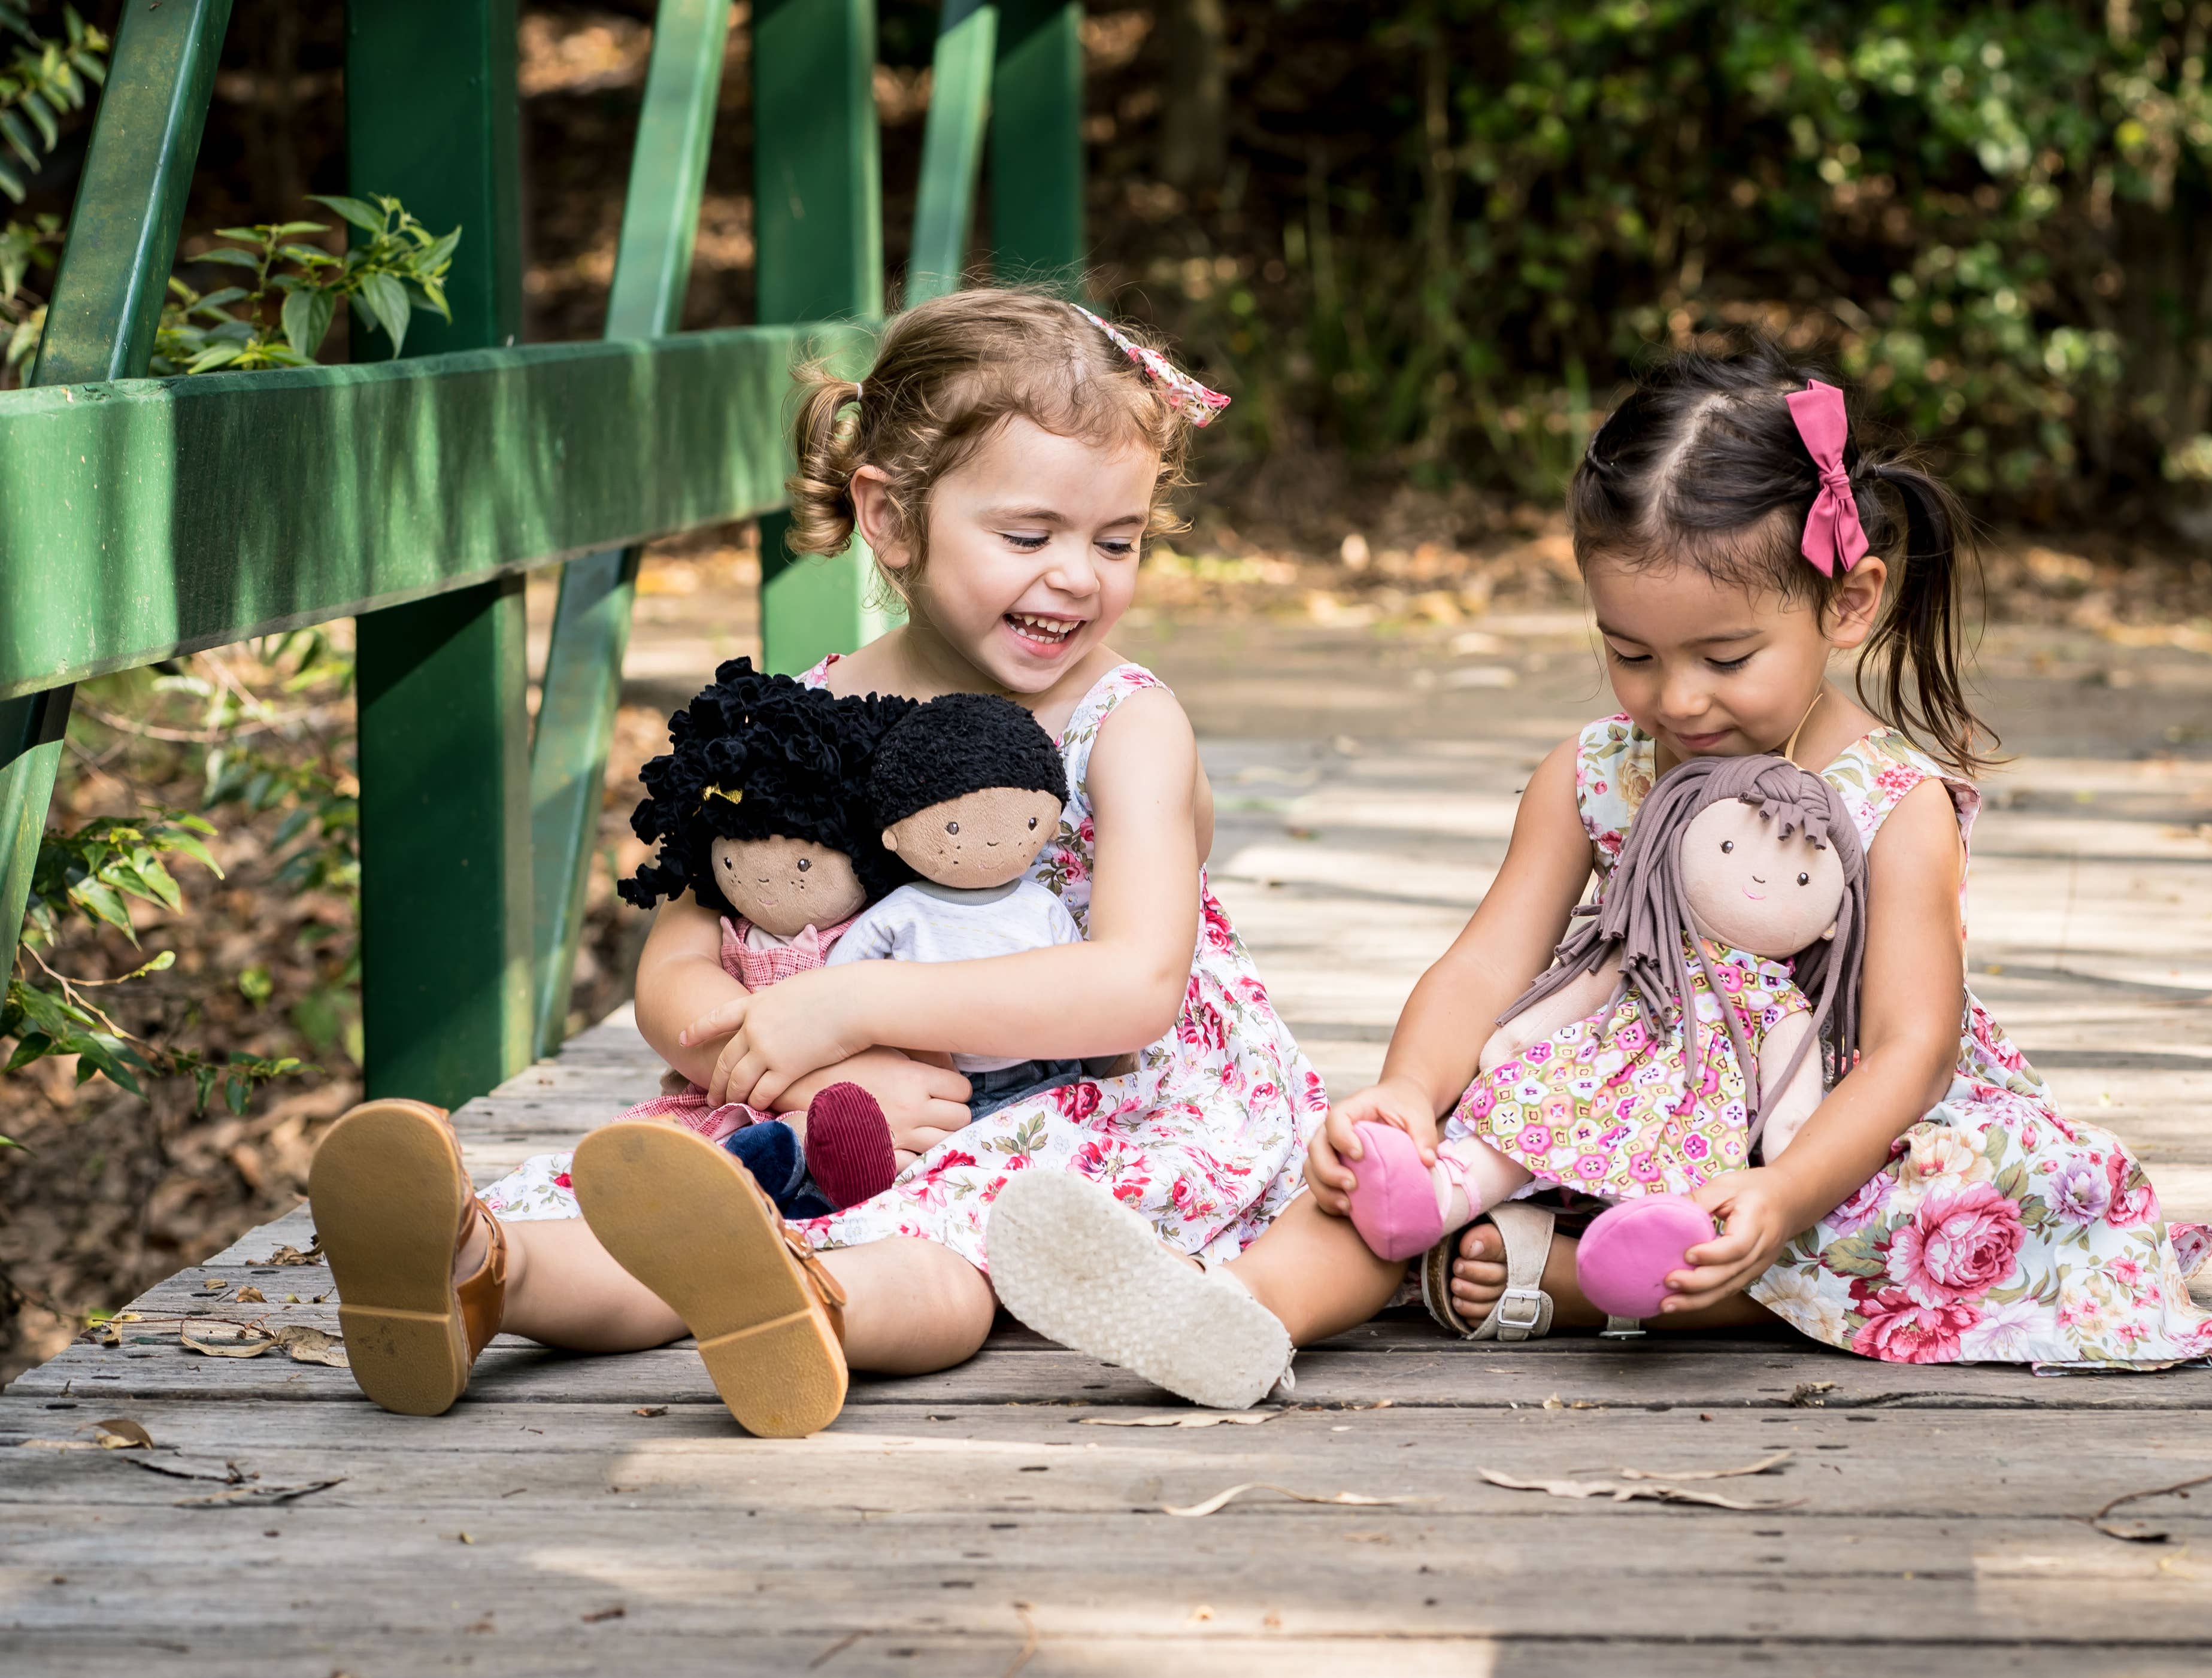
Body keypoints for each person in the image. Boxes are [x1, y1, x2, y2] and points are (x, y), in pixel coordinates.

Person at [305, 289, 1402, 1438]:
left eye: (1116, 542)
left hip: (1088, 1100)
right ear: (889, 516)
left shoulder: (1124, 723)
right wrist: (787, 1065)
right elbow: (682, 956)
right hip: (828, 1096)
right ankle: (482, 1271)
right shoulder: (805, 717)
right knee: (682, 1200)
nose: (1080, 575)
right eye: (1030, 536)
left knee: (949, 1248)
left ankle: (804, 1303)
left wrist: (848, 1006)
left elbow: (1132, 988)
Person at [1305, 341, 2212, 1370]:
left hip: (1825, 1126)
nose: (1676, 699)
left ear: (1846, 602)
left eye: (1725, 657)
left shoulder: (1894, 802)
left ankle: (1604, 1281)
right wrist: (1407, 1088)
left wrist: (1783, 1189)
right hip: (1631, 1086)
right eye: (1631, 654)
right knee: (1414, 1144)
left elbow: (1911, 1048)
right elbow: (1486, 966)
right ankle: (1594, 1247)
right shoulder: (1593, 773)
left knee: (1975, 1209)